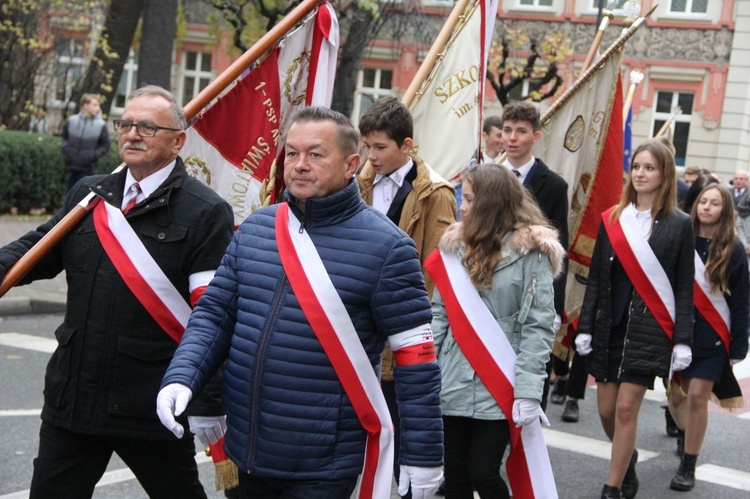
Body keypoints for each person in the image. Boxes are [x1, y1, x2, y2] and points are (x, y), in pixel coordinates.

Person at [157, 106, 444, 499]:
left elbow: (417, 360)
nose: (300, 165)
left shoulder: (389, 247)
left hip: (322, 464)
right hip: (246, 450)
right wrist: (182, 376)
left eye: (316, 154)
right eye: (292, 153)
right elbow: (213, 316)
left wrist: (424, 454)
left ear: (351, 164)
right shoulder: (257, 228)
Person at [0, 85, 234, 497]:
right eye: (125, 123)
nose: (132, 133)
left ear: (178, 140)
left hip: (150, 404)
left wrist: (206, 397)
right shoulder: (90, 195)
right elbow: (35, 251)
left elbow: (211, 314)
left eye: (147, 126)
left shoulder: (206, 211)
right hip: (74, 398)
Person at [428, 164, 562, 498]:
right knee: (455, 473)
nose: (462, 206)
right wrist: (427, 373)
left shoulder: (532, 253)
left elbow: (539, 326)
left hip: (501, 377)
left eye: (469, 199)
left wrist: (530, 389)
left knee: (483, 472)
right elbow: (439, 315)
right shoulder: (454, 247)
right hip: (454, 376)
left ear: (489, 203)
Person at [575, 139, 695, 499]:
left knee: (627, 408)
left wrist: (684, 339)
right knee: (607, 410)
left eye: (650, 168)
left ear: (665, 175)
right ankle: (627, 459)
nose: (641, 174)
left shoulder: (680, 224)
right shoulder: (613, 219)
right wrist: (584, 327)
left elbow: (684, 286)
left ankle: (612, 488)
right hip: (609, 325)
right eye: (637, 167)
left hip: (650, 329)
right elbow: (596, 278)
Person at [356, 96, 455, 497]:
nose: (370, 155)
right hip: (358, 326)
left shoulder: (436, 195)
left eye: (380, 147)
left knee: (403, 432)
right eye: (366, 146)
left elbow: (436, 271)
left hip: (403, 332)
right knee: (362, 435)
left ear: (407, 145)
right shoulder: (355, 183)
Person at [667, 183, 749, 491]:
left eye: (714, 203)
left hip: (713, 337)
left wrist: (740, 344)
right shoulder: (679, 239)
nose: (706, 207)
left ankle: (689, 462)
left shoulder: (733, 249)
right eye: (703, 201)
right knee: (677, 398)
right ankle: (689, 435)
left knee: (698, 396)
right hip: (679, 333)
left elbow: (741, 300)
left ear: (724, 210)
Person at [499, 101, 570, 411]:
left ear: (535, 137)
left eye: (521, 131)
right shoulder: (487, 176)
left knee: (529, 366)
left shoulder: (553, 185)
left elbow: (557, 249)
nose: (512, 138)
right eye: (507, 130)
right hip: (492, 287)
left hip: (529, 287)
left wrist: (554, 306)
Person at [62, 93, 111, 193]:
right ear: (85, 105)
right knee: (69, 196)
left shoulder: (100, 125)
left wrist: (92, 155)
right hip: (71, 166)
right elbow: (64, 138)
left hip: (88, 168)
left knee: (81, 196)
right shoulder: (72, 121)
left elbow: (105, 145)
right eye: (95, 105)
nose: (98, 108)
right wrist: (67, 151)